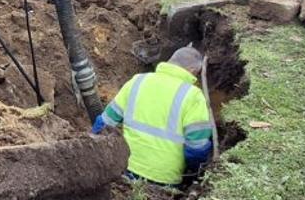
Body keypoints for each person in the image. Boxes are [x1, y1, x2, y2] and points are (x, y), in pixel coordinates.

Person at [91, 46, 214, 188]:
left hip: (124, 170)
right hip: (165, 180)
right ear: (193, 71)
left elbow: (104, 123)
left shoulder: (137, 81)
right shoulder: (193, 96)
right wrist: (194, 174)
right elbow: (196, 149)